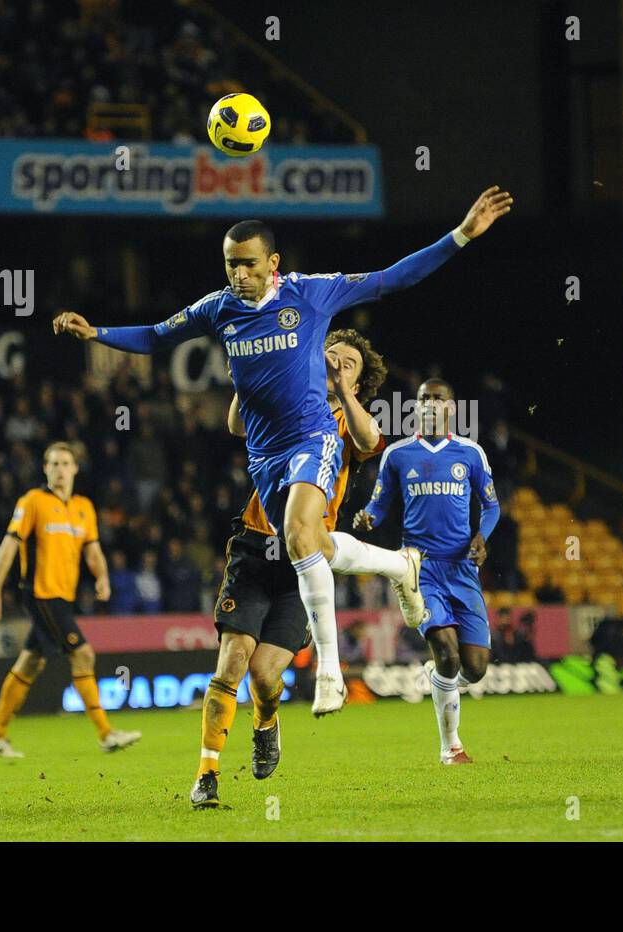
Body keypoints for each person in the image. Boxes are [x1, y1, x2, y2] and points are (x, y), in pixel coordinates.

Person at [53, 186, 511, 715]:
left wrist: (460, 235)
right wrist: (96, 332)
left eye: (248, 265)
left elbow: (391, 278)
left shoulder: (312, 293)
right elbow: (156, 336)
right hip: (265, 456)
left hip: (312, 438)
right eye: (230, 265)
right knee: (307, 544)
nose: (238, 275)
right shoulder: (218, 309)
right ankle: (399, 567)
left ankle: (330, 674)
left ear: (273, 263)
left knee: (298, 534)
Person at [191, 328, 388, 809]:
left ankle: (265, 722)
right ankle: (207, 775)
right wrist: (248, 379)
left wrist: (343, 391)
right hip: (256, 549)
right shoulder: (286, 397)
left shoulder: (346, 417)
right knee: (233, 659)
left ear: (358, 383)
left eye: (348, 364)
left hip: (303, 563)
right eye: (331, 357)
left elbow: (371, 439)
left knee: (263, 674)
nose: (336, 365)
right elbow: (237, 426)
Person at [354, 378, 500, 765]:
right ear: (415, 407)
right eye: (423, 399)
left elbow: (492, 507)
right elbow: (379, 504)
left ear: (452, 407)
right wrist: (368, 518)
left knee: (476, 669)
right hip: (420, 570)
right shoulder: (399, 455)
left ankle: (439, 681)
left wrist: (481, 538)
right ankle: (450, 747)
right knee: (448, 656)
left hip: (463, 570)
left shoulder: (471, 453)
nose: (430, 404)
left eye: (438, 398)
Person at [0, 442, 141, 758]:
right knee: (83, 655)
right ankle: (106, 734)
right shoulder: (33, 502)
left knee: (30, 661)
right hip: (40, 594)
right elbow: (9, 545)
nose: (60, 469)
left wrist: (103, 576)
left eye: (65, 463)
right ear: (45, 469)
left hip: (62, 598)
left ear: (75, 468)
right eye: (53, 463)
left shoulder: (83, 507)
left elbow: (92, 549)